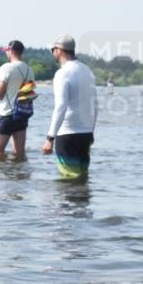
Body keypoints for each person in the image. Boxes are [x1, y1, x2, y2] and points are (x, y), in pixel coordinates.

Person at [42, 34, 97, 179]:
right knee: (82, 179)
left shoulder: (62, 73)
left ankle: (66, 202)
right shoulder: (87, 71)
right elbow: (94, 104)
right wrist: (91, 130)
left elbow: (61, 106)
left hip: (68, 134)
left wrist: (50, 137)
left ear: (59, 50)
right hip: (85, 133)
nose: (52, 52)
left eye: (53, 49)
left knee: (69, 179)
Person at [0, 39, 36, 158]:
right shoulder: (29, 70)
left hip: (6, 115)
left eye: (7, 50)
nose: (6, 53)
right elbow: (29, 93)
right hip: (21, 114)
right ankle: (19, 175)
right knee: (19, 154)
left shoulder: (6, 68)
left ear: (11, 51)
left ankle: (4, 176)